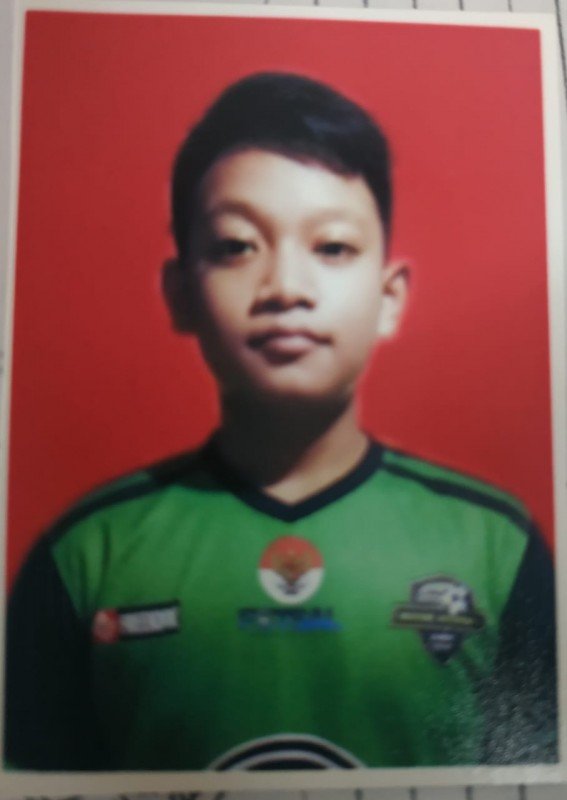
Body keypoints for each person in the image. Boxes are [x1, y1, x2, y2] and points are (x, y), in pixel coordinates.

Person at [6, 72, 556, 771]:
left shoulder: (494, 548)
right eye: (237, 245)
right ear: (180, 293)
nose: (286, 289)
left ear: (389, 297)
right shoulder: (87, 555)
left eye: (332, 248)